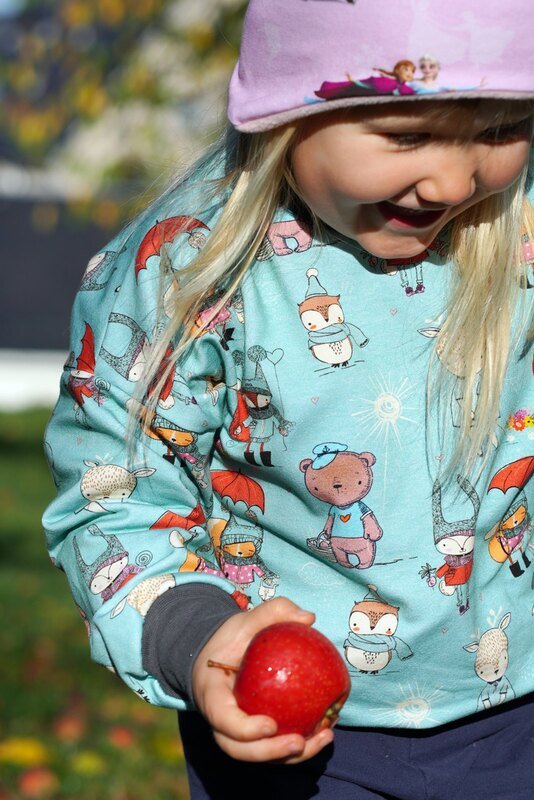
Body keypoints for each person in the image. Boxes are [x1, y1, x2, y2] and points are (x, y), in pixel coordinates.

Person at [42, 1, 534, 797]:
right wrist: (199, 638)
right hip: (288, 730)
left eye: (502, 127)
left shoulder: (518, 223)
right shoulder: (191, 268)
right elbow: (116, 491)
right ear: (287, 111)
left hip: (518, 718)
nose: (453, 181)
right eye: (406, 136)